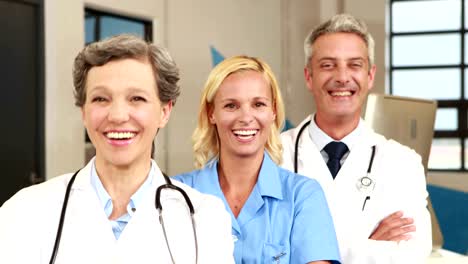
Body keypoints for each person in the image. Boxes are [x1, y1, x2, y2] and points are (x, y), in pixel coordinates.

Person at [0, 34, 234, 263]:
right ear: (83, 111)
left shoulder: (203, 218)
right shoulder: (26, 211)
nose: (118, 116)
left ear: (164, 111)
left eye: (136, 99)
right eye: (101, 99)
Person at [280, 14, 432, 263]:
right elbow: (261, 250)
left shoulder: (403, 162)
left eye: (354, 65)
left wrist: (308, 247)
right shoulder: (272, 155)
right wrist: (368, 246)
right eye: (328, 65)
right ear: (309, 76)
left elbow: (412, 254)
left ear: (370, 76)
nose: (342, 77)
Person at [174, 55, 341, 264]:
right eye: (231, 106)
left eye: (258, 104)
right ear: (211, 113)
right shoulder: (176, 194)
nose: (245, 117)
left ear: (273, 111)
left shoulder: (303, 196)